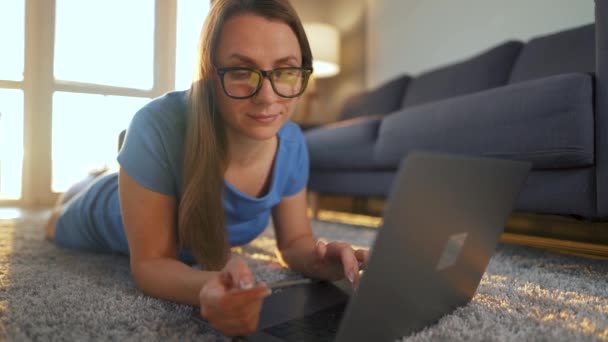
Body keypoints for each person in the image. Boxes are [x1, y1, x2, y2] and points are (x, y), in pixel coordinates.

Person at [45, 0, 369, 337]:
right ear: (210, 74)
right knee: (55, 221)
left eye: (286, 70)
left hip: (143, 176)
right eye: (242, 72)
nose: (268, 97)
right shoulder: (154, 124)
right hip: (103, 207)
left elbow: (294, 242)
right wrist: (205, 288)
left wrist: (321, 261)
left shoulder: (291, 143)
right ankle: (89, 181)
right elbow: (151, 263)